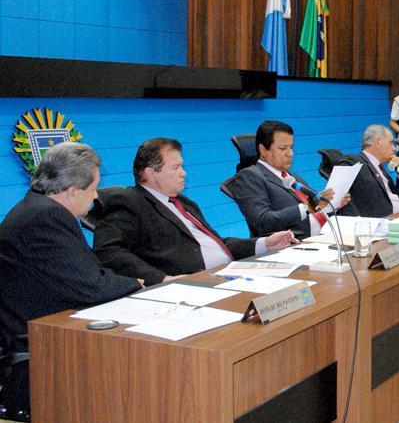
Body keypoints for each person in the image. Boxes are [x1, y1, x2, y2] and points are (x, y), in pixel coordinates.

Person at [0, 143, 142, 420]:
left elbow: (86, 276)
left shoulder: (36, 208)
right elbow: (92, 286)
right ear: (72, 191)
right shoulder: (47, 217)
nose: (96, 197)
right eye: (93, 189)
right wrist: (135, 283)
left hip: (44, 326)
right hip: (41, 346)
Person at [93, 138, 300, 286]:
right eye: (176, 168)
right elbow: (109, 251)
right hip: (191, 287)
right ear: (150, 173)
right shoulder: (129, 202)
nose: (184, 173)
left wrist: (265, 243)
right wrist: (160, 280)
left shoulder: (184, 203)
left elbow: (217, 243)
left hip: (228, 275)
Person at [232, 120, 351, 239]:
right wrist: (307, 207)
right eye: (283, 148)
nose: (290, 154)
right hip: (294, 245)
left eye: (291, 147)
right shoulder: (249, 177)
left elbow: (315, 208)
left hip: (323, 236)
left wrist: (333, 203)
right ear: (263, 150)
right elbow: (263, 221)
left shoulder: (290, 176)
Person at [347, 125, 399, 217]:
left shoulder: (380, 168)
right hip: (383, 223)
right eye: (390, 143)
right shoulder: (355, 162)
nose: (394, 148)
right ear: (378, 142)